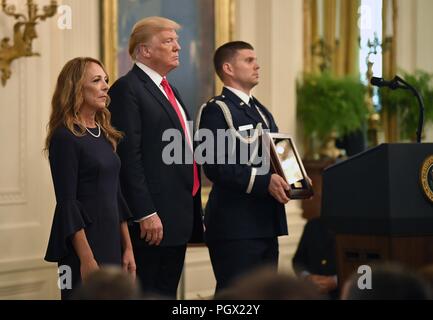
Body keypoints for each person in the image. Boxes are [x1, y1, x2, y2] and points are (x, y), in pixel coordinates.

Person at [108, 16, 203, 299]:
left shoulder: (169, 89)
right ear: (144, 50)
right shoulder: (127, 89)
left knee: (167, 295)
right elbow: (129, 157)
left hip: (177, 217)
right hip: (152, 222)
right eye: (168, 41)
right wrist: (145, 212)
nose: (178, 47)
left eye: (177, 41)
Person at [197, 41, 290, 293]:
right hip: (236, 224)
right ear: (228, 68)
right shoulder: (217, 110)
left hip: (265, 222)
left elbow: (276, 156)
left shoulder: (260, 110)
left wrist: (294, 179)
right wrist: (264, 182)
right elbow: (215, 166)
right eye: (248, 60)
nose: (257, 65)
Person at [44, 57, 136, 300]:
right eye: (96, 80)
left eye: (106, 79)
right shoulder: (64, 137)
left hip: (112, 242)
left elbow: (116, 196)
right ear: (76, 87)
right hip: (83, 246)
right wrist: (87, 259)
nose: (106, 85)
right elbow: (67, 204)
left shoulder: (105, 134)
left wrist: (127, 248)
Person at [292, 216, 338, 299]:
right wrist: (307, 277)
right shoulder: (312, 225)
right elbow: (298, 261)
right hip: (312, 294)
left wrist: (336, 281)